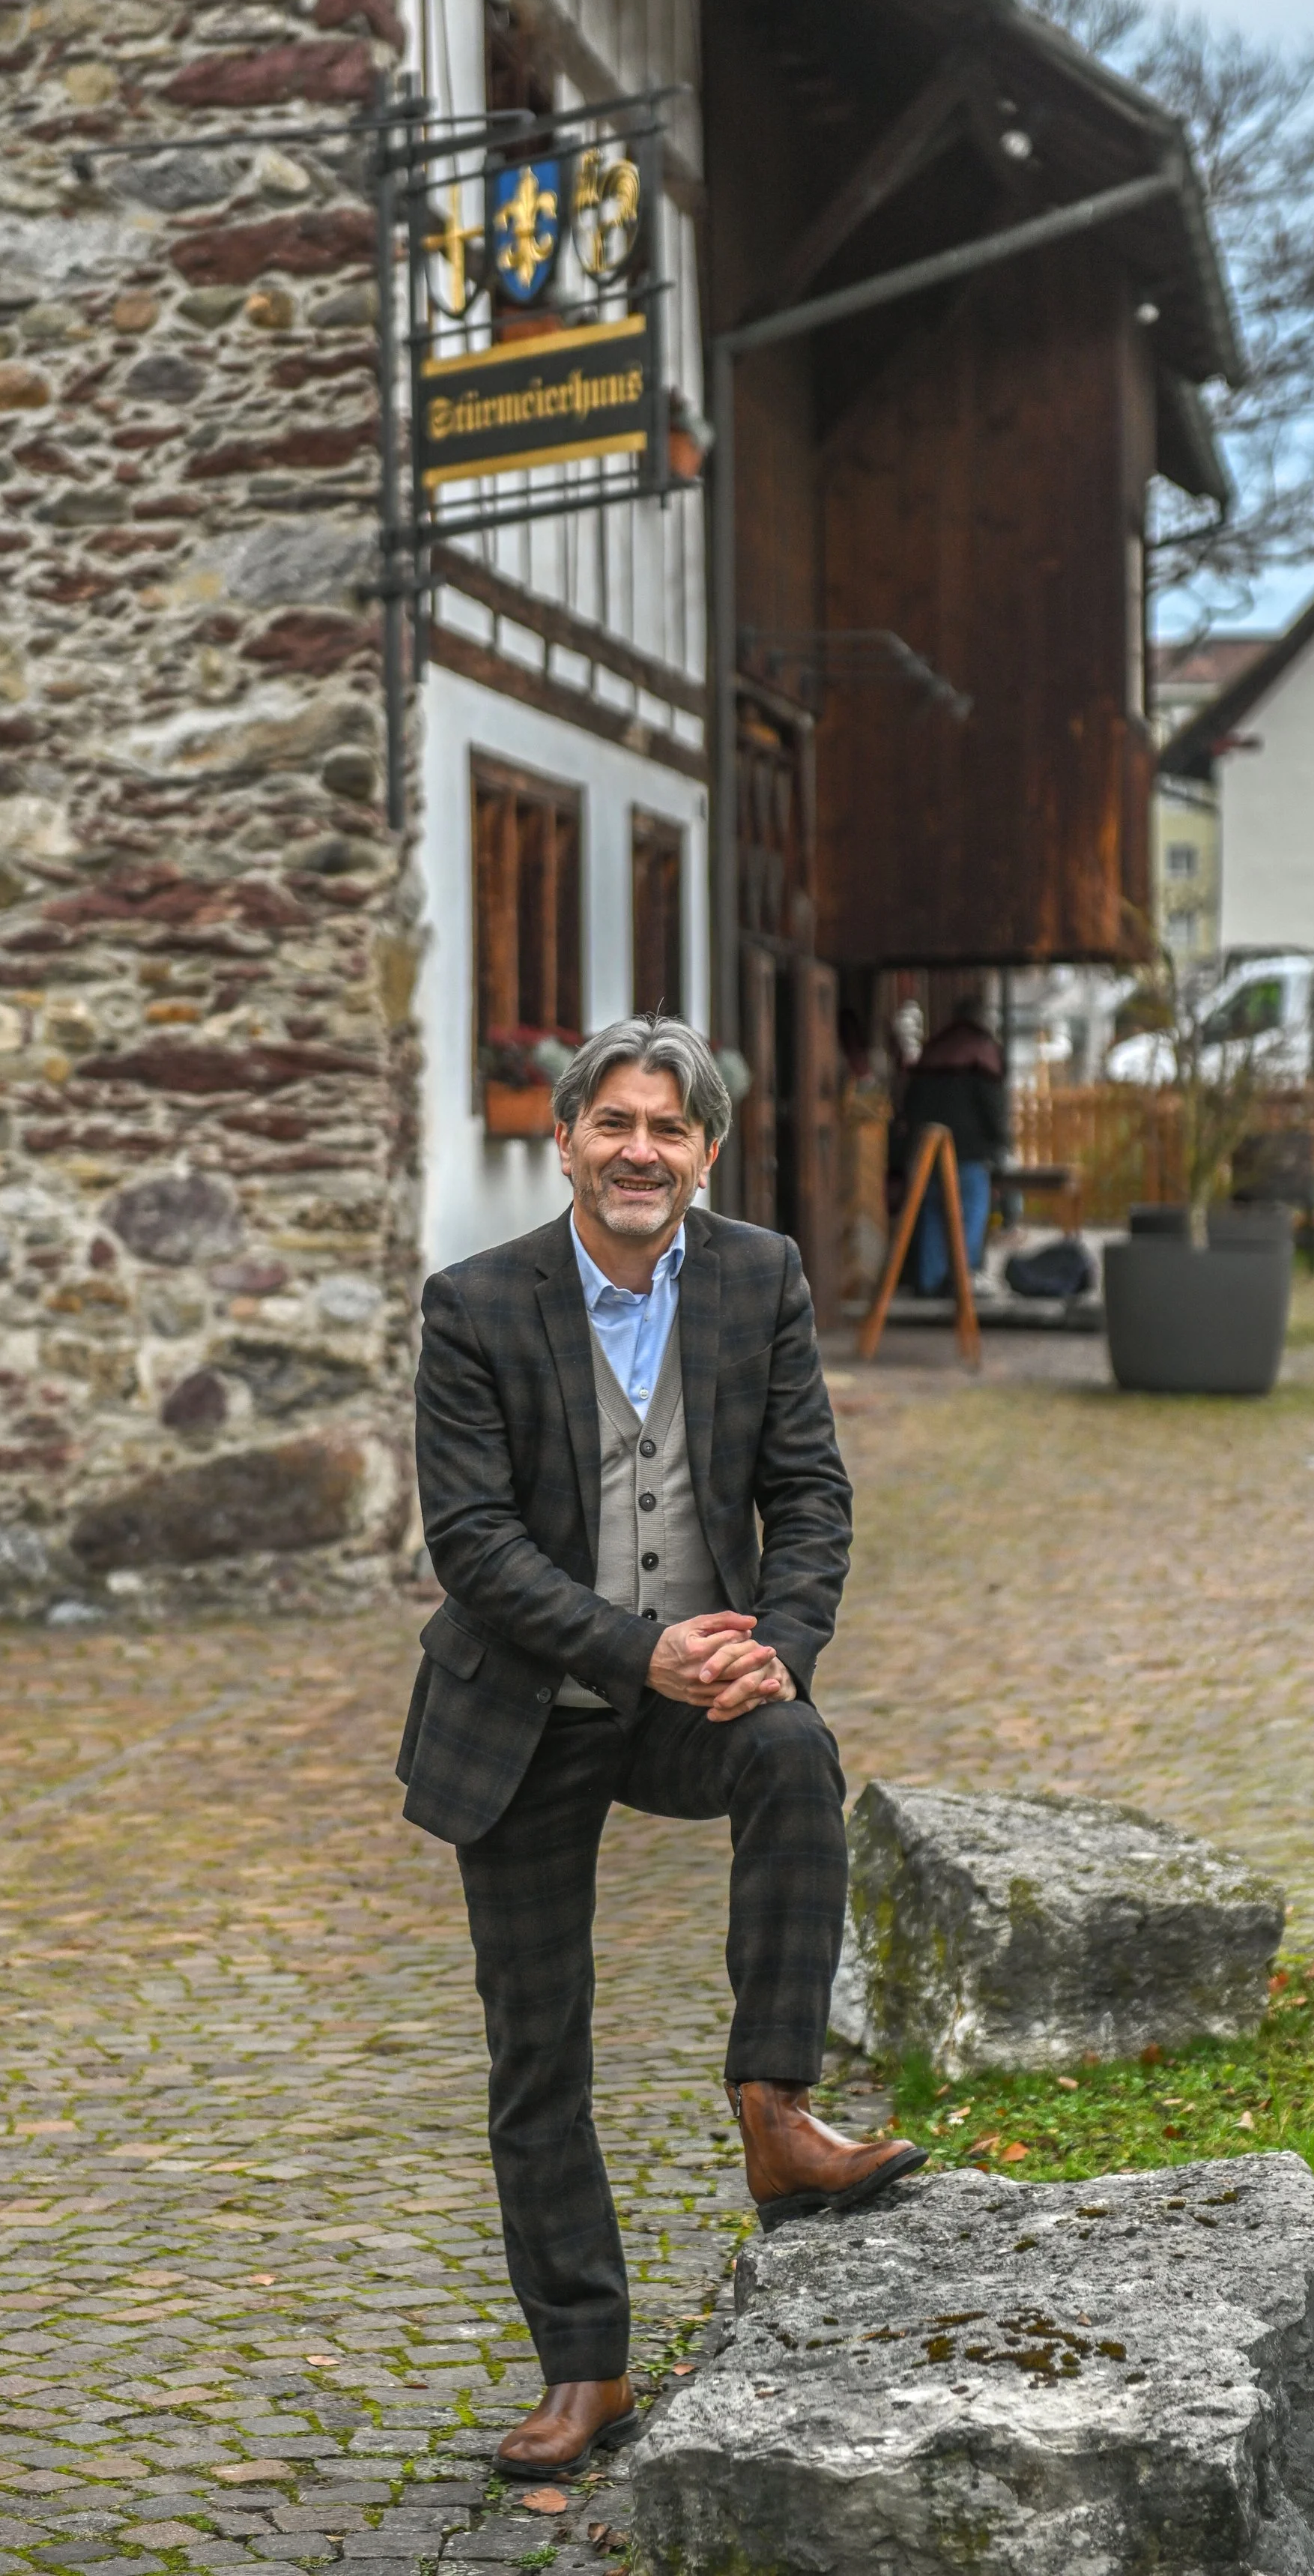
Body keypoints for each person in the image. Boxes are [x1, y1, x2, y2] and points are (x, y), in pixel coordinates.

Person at [401, 1015, 927, 2480]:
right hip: (528, 1710)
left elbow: (809, 1490)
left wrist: (779, 1649)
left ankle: (776, 2110)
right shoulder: (474, 1306)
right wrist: (638, 1650)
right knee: (537, 2051)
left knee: (794, 1752)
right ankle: (587, 2368)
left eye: (669, 1129)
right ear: (565, 1140)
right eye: (615, 1124)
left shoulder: (760, 1276)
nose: (641, 1151)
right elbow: (474, 1544)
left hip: (703, 1698)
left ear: (706, 1153)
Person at [902, 994, 1008, 1295]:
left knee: (933, 1211)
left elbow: (911, 1102)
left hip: (928, 1147)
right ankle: (962, 1280)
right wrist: (1000, 1143)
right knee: (971, 1212)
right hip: (970, 1150)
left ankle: (930, 1280)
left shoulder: (934, 1049)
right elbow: (993, 1106)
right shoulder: (983, 1050)